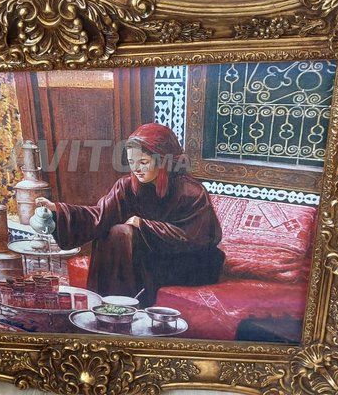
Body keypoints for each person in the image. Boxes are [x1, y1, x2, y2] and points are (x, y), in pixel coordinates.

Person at [35, 123, 224, 307]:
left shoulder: (191, 192)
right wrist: (56, 210)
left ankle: (126, 307)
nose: (136, 169)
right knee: (114, 231)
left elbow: (199, 238)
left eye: (143, 162)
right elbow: (99, 216)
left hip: (186, 262)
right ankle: (108, 305)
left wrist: (143, 225)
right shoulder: (126, 187)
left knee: (124, 232)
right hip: (147, 257)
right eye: (132, 162)